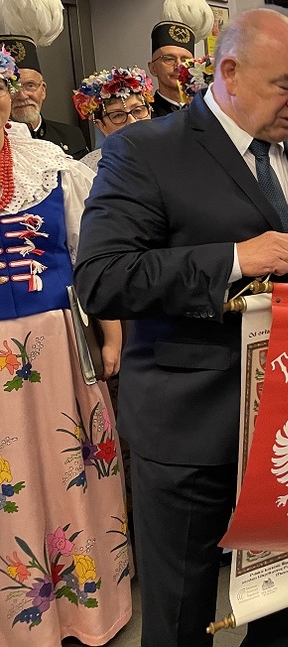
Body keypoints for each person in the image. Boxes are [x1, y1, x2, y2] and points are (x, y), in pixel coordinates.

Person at [74, 8, 288, 647]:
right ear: (229, 71)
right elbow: (102, 277)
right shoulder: (147, 150)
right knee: (181, 611)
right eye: (285, 85)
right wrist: (233, 259)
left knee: (281, 599)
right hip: (189, 423)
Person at [0, 44, 131, 644]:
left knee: (66, 464)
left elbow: (88, 259)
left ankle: (83, 601)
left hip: (55, 342)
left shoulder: (52, 165)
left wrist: (111, 335)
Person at [0, 0, 90, 160]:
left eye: (30, 85)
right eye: (13, 87)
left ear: (43, 90)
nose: (23, 95)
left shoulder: (72, 136)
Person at [72, 66, 155, 172]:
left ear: (149, 111)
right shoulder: (87, 169)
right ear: (101, 126)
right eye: (118, 115)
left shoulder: (173, 152)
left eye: (138, 111)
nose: (132, 121)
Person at [148, 0, 213, 118]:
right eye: (169, 59)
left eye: (185, 60)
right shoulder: (145, 115)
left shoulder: (208, 112)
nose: (178, 66)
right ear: (153, 68)